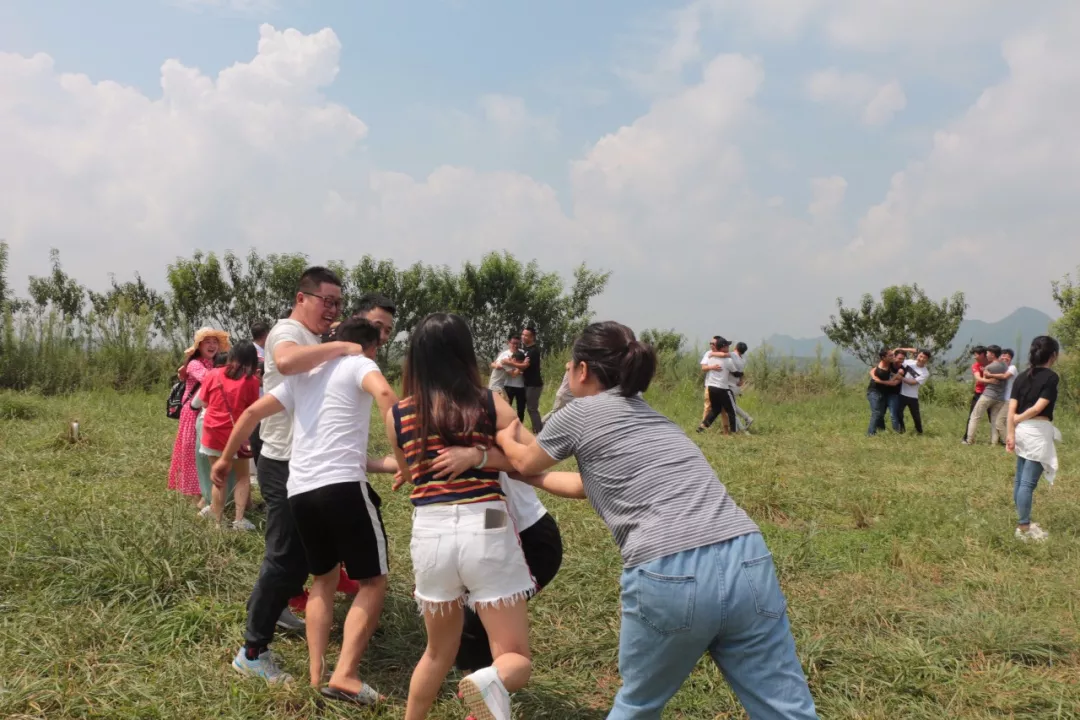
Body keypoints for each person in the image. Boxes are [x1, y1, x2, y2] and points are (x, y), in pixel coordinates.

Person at [496, 321, 817, 719]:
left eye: (569, 367)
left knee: (639, 705)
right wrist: (534, 477)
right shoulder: (649, 415)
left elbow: (523, 457)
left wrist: (507, 429)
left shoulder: (580, 411)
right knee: (785, 708)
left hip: (670, 569)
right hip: (747, 556)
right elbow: (587, 484)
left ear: (582, 370)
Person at [215, 317, 398, 701]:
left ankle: (316, 677)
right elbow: (385, 397)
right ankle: (345, 674)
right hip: (343, 487)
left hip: (299, 490)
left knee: (323, 581)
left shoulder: (305, 377)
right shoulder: (360, 363)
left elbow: (250, 415)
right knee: (373, 581)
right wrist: (407, 456)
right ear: (372, 347)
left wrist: (224, 459)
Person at [387, 313, 549, 720]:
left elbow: (409, 472)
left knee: (436, 652)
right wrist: (482, 456)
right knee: (513, 658)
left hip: (430, 530)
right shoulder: (487, 402)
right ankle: (485, 679)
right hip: (487, 521)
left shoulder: (397, 414)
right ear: (464, 352)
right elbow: (530, 459)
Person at [230, 266, 368, 683]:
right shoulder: (285, 331)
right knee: (285, 555)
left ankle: (282, 610)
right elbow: (287, 363)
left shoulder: (317, 338)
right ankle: (252, 650)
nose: (333, 310)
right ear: (302, 297)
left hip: (308, 461)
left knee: (308, 553)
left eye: (339, 304)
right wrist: (342, 345)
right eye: (327, 301)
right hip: (282, 459)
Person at [196, 341, 262, 530]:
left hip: (212, 432)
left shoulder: (213, 374)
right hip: (237, 435)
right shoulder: (251, 381)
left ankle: (218, 521)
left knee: (218, 478)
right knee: (242, 477)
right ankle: (239, 519)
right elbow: (251, 410)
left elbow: (205, 401)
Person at [1006, 336, 1060, 542]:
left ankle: (1023, 523)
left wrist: (1011, 431)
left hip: (1021, 431)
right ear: (1053, 355)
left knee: (1020, 481)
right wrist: (1018, 419)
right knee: (1027, 483)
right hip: (1037, 431)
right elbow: (1039, 407)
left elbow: (1011, 407)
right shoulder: (1051, 377)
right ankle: (1024, 527)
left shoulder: (1021, 376)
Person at [168, 327, 231, 506]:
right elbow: (207, 379)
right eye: (208, 342)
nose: (212, 346)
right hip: (192, 412)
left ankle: (206, 495)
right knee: (193, 453)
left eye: (215, 342)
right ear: (199, 346)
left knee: (206, 453)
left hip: (210, 411)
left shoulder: (215, 364)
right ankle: (198, 495)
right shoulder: (195, 364)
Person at [965, 345, 1007, 445]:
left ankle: (969, 440)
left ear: (992, 354)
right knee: (994, 420)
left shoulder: (989, 367)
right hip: (1000, 397)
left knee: (975, 417)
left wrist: (989, 378)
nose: (987, 355)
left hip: (988, 395)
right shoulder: (1004, 366)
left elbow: (984, 383)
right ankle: (994, 442)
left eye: (988, 353)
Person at [697, 336, 737, 435]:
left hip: (711, 387)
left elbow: (710, 359)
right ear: (723, 347)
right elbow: (734, 371)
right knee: (731, 410)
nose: (728, 348)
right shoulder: (728, 360)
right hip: (723, 388)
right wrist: (740, 375)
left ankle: (703, 426)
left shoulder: (710, 358)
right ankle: (734, 432)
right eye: (727, 346)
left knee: (716, 409)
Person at [249, 320, 270, 466]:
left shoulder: (253, 350)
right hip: (256, 398)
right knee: (257, 436)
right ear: (266, 335)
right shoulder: (257, 354)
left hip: (260, 397)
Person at [867, 349, 901, 436]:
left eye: (892, 355)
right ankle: (870, 434)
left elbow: (897, 349)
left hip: (883, 392)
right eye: (890, 356)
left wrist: (881, 381)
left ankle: (881, 430)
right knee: (876, 412)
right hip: (874, 392)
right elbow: (873, 372)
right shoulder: (880, 369)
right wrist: (888, 382)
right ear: (883, 357)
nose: (893, 357)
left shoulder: (890, 364)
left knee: (881, 413)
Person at [988, 348, 1019, 444]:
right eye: (1003, 355)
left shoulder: (1012, 368)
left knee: (999, 423)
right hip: (1001, 399)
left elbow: (1005, 376)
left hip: (1010, 400)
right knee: (1005, 422)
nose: (1005, 358)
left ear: (1011, 359)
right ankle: (1001, 441)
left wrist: (989, 374)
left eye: (1008, 356)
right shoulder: (1001, 369)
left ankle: (1009, 443)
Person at [898, 349, 931, 435]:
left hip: (913, 396)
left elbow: (912, 383)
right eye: (920, 356)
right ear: (917, 355)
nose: (921, 358)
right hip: (901, 393)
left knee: (916, 416)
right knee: (898, 413)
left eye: (924, 357)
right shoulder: (909, 362)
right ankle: (901, 430)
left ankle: (919, 431)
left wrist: (898, 377)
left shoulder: (925, 373)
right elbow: (898, 361)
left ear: (927, 360)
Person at [961, 346, 990, 441]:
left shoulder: (992, 364)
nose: (974, 357)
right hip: (979, 393)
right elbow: (978, 378)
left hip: (991, 394)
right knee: (972, 416)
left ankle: (998, 439)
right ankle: (966, 437)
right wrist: (991, 381)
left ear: (982, 354)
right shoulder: (975, 365)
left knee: (994, 417)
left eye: (976, 354)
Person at [521, 325, 545, 432]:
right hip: (527, 383)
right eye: (522, 334)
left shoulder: (534, 351)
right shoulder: (525, 350)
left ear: (532, 337)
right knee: (529, 408)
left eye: (526, 335)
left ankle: (539, 431)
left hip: (534, 384)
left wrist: (508, 362)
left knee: (532, 408)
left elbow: (524, 366)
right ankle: (537, 429)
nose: (523, 337)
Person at [489, 333, 523, 403]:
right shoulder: (505, 361)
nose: (515, 363)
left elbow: (495, 363)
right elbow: (513, 374)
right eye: (513, 343)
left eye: (517, 343)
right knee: (505, 404)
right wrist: (520, 368)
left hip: (499, 386)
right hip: (496, 386)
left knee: (506, 402)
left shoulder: (507, 361)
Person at [728, 342, 754, 432]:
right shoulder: (743, 360)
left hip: (729, 385)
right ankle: (745, 421)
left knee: (731, 408)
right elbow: (741, 374)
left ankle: (744, 422)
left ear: (735, 347)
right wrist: (741, 380)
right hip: (736, 386)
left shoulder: (731, 355)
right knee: (732, 407)